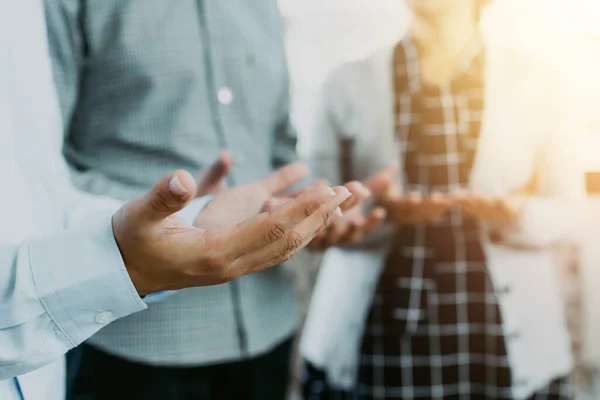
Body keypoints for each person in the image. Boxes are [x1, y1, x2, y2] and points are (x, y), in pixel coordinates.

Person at [0, 1, 359, 399]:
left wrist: (317, 209)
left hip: (267, 329)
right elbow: (39, 168)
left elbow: (278, 145)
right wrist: (182, 214)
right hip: (133, 347)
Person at [300, 0, 585, 399]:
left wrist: (514, 214)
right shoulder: (346, 83)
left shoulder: (537, 82)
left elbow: (572, 212)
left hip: (499, 342)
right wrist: (364, 216)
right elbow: (313, 211)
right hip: (375, 340)